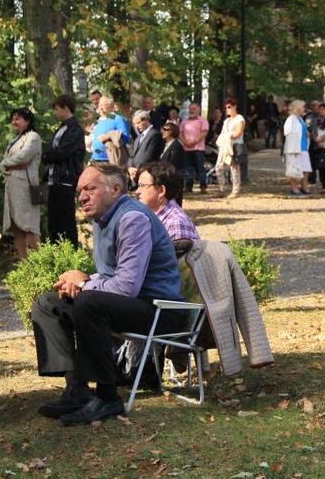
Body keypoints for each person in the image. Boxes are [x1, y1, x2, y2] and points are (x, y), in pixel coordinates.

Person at [30, 162, 186, 424]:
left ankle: (107, 398)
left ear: (115, 189)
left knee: (88, 302)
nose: (82, 197)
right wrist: (84, 279)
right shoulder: (102, 219)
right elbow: (112, 274)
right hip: (132, 304)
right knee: (49, 303)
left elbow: (126, 287)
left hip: (162, 310)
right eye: (80, 191)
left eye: (90, 189)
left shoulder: (131, 218)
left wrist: (83, 286)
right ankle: (77, 390)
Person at [0, 107, 42, 260]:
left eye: (17, 118)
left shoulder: (33, 137)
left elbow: (23, 157)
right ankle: (24, 265)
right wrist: (7, 165)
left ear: (27, 121)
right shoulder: (13, 141)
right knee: (17, 227)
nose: (14, 122)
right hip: (11, 187)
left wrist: (7, 164)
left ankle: (40, 263)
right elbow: (5, 163)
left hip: (25, 187)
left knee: (29, 225)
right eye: (13, 119)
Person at [44, 94, 86, 247]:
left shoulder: (75, 130)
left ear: (66, 108)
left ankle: (71, 256)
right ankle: (56, 255)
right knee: (54, 222)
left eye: (56, 109)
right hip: (53, 179)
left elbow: (62, 152)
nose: (55, 112)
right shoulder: (61, 128)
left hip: (66, 179)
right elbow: (50, 151)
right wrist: (50, 155)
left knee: (66, 221)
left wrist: (50, 155)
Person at [136, 160, 199, 245]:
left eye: (143, 186)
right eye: (138, 186)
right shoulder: (149, 215)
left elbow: (178, 258)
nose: (137, 191)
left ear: (161, 191)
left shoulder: (175, 224)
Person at [215, 99, 245, 199]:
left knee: (234, 168)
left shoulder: (239, 118)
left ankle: (235, 190)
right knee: (219, 167)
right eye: (226, 107)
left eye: (229, 107)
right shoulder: (226, 121)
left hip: (235, 145)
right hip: (225, 146)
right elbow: (222, 133)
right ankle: (221, 189)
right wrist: (222, 138)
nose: (227, 109)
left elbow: (238, 133)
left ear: (234, 107)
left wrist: (227, 136)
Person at [128, 110, 164, 187]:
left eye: (138, 123)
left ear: (146, 120)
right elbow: (132, 156)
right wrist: (130, 168)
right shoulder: (138, 138)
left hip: (146, 174)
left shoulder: (155, 135)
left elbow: (149, 155)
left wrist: (137, 171)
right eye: (135, 124)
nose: (137, 126)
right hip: (134, 175)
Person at [180, 102, 210, 194]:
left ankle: (203, 186)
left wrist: (195, 141)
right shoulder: (184, 121)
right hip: (186, 148)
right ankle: (188, 187)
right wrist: (184, 141)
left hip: (198, 148)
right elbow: (180, 133)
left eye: (194, 109)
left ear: (198, 110)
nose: (192, 111)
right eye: (190, 109)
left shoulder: (203, 121)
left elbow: (204, 133)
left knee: (200, 168)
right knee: (188, 168)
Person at [90, 96, 130, 164]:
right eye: (99, 105)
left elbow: (126, 138)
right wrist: (92, 158)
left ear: (111, 106)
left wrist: (108, 137)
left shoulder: (118, 119)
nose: (100, 108)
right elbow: (95, 142)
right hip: (96, 160)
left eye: (103, 105)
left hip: (111, 160)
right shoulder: (99, 122)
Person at [283, 100, 312, 195]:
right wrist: (292, 148)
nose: (304, 109)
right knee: (294, 169)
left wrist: (307, 133)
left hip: (303, 147)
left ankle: (304, 186)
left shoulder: (300, 119)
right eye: (302, 107)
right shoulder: (291, 119)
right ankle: (294, 188)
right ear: (298, 108)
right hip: (295, 148)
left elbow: (302, 131)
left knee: (306, 169)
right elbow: (288, 133)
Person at [159, 122, 186, 205]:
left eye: (166, 129)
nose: (163, 131)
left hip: (173, 180)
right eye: (162, 129)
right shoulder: (164, 145)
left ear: (173, 131)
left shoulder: (177, 146)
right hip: (165, 178)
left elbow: (173, 163)